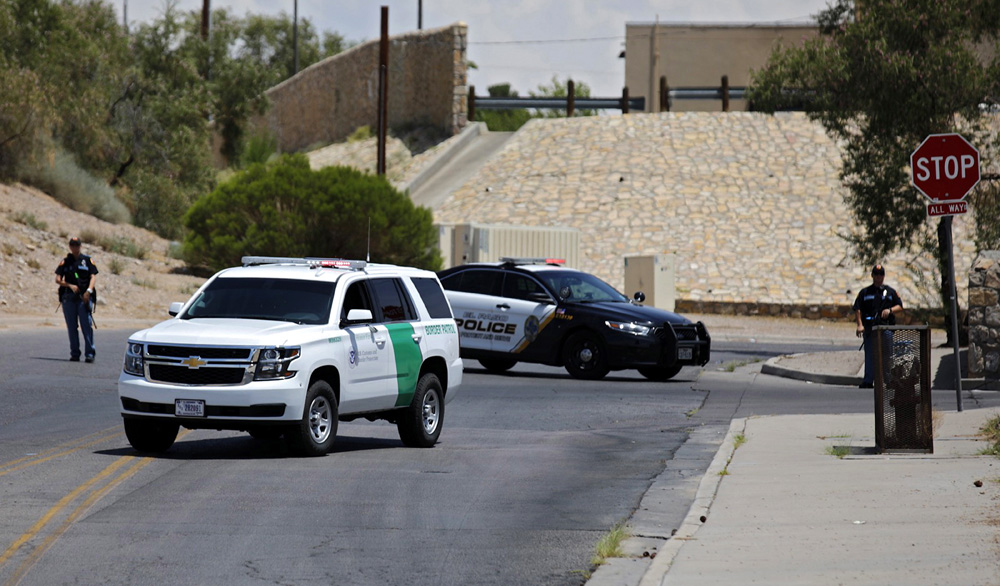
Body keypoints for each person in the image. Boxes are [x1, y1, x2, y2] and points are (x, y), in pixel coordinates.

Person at [853, 264, 903, 389]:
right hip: (871, 328)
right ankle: (868, 381)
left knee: (888, 355)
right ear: (872, 276)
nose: (878, 277)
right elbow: (857, 308)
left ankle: (889, 381)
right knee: (870, 355)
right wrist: (860, 325)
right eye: (876, 274)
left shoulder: (890, 292)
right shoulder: (865, 292)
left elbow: (900, 306)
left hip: (886, 328)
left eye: (881, 274)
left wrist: (890, 310)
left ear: (884, 276)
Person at [55, 237, 99, 362]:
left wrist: (89, 291)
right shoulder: (65, 261)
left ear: (80, 246)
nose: (75, 247)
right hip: (69, 298)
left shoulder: (87, 260)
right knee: (72, 327)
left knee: (86, 325)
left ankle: (90, 354)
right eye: (73, 245)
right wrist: (69, 285)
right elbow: (58, 279)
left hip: (83, 298)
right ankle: (75, 353)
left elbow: (93, 277)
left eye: (77, 245)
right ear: (69, 246)